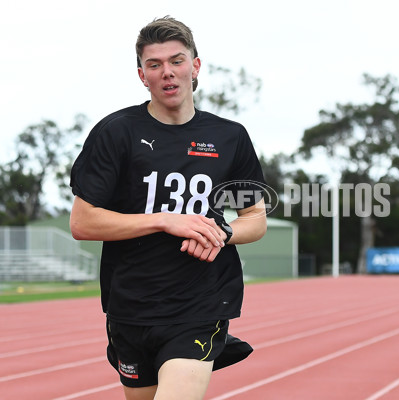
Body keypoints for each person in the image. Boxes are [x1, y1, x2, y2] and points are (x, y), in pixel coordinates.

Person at [69, 16, 267, 400]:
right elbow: (83, 221)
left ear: (195, 66)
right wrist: (165, 221)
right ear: (142, 75)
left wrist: (220, 233)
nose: (167, 73)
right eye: (155, 65)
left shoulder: (229, 137)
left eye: (177, 61)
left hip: (200, 303)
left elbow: (254, 219)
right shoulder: (116, 132)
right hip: (130, 306)